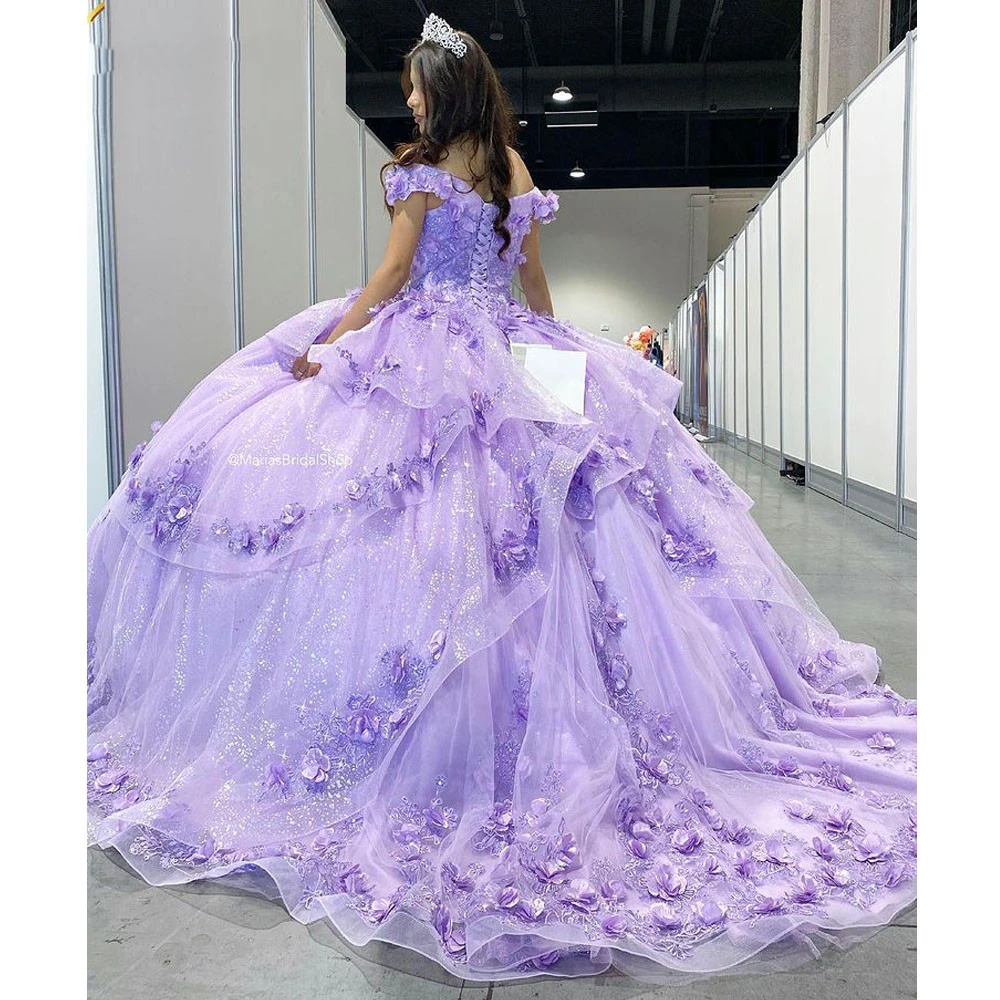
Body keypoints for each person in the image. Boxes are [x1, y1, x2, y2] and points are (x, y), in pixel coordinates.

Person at [87, 11, 916, 985]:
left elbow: (393, 276)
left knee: (410, 522)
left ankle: (432, 733)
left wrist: (330, 343)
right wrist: (556, 357)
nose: (406, 100)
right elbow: (533, 286)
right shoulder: (513, 170)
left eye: (412, 87)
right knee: (549, 530)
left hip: (425, 354)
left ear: (438, 93)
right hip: (502, 351)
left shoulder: (418, 173)